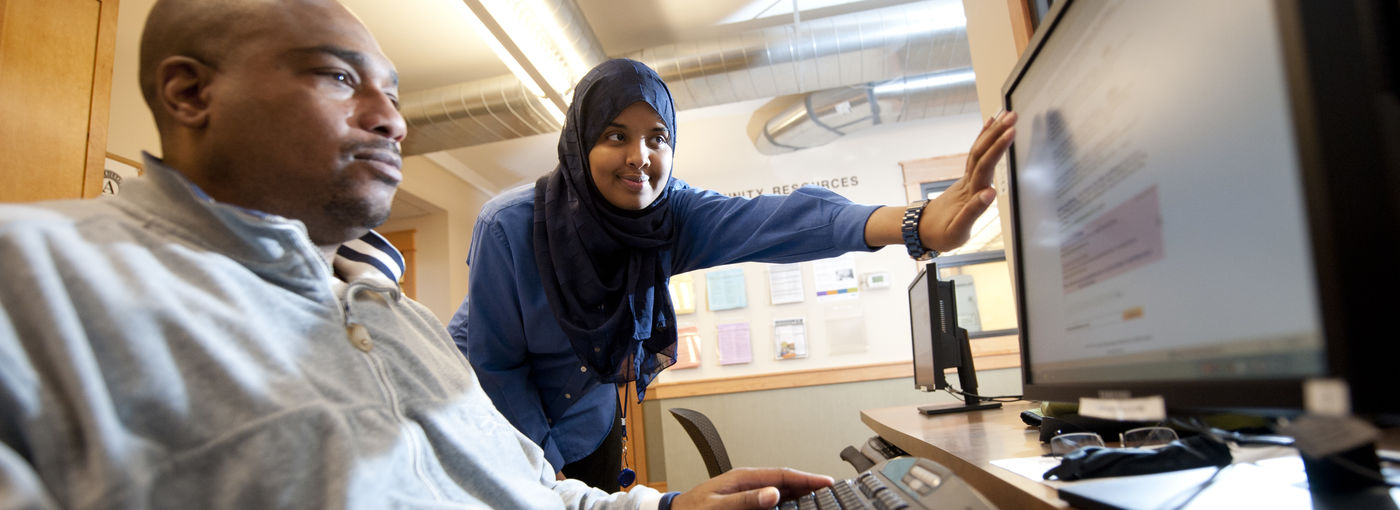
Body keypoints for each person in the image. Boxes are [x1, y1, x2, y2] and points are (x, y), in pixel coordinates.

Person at [0, 0, 836, 508]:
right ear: (191, 93)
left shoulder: (396, 321)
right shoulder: (34, 278)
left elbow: (535, 495)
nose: (393, 120)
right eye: (337, 77)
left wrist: (664, 507)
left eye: (393, 94)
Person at [447, 59, 1018, 490]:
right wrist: (546, 482)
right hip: (496, 419)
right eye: (615, 135)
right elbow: (496, 367)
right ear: (578, 142)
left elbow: (784, 220)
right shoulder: (510, 227)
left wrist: (915, 223)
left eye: (657, 137)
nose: (639, 156)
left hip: (586, 423)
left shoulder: (670, 218)